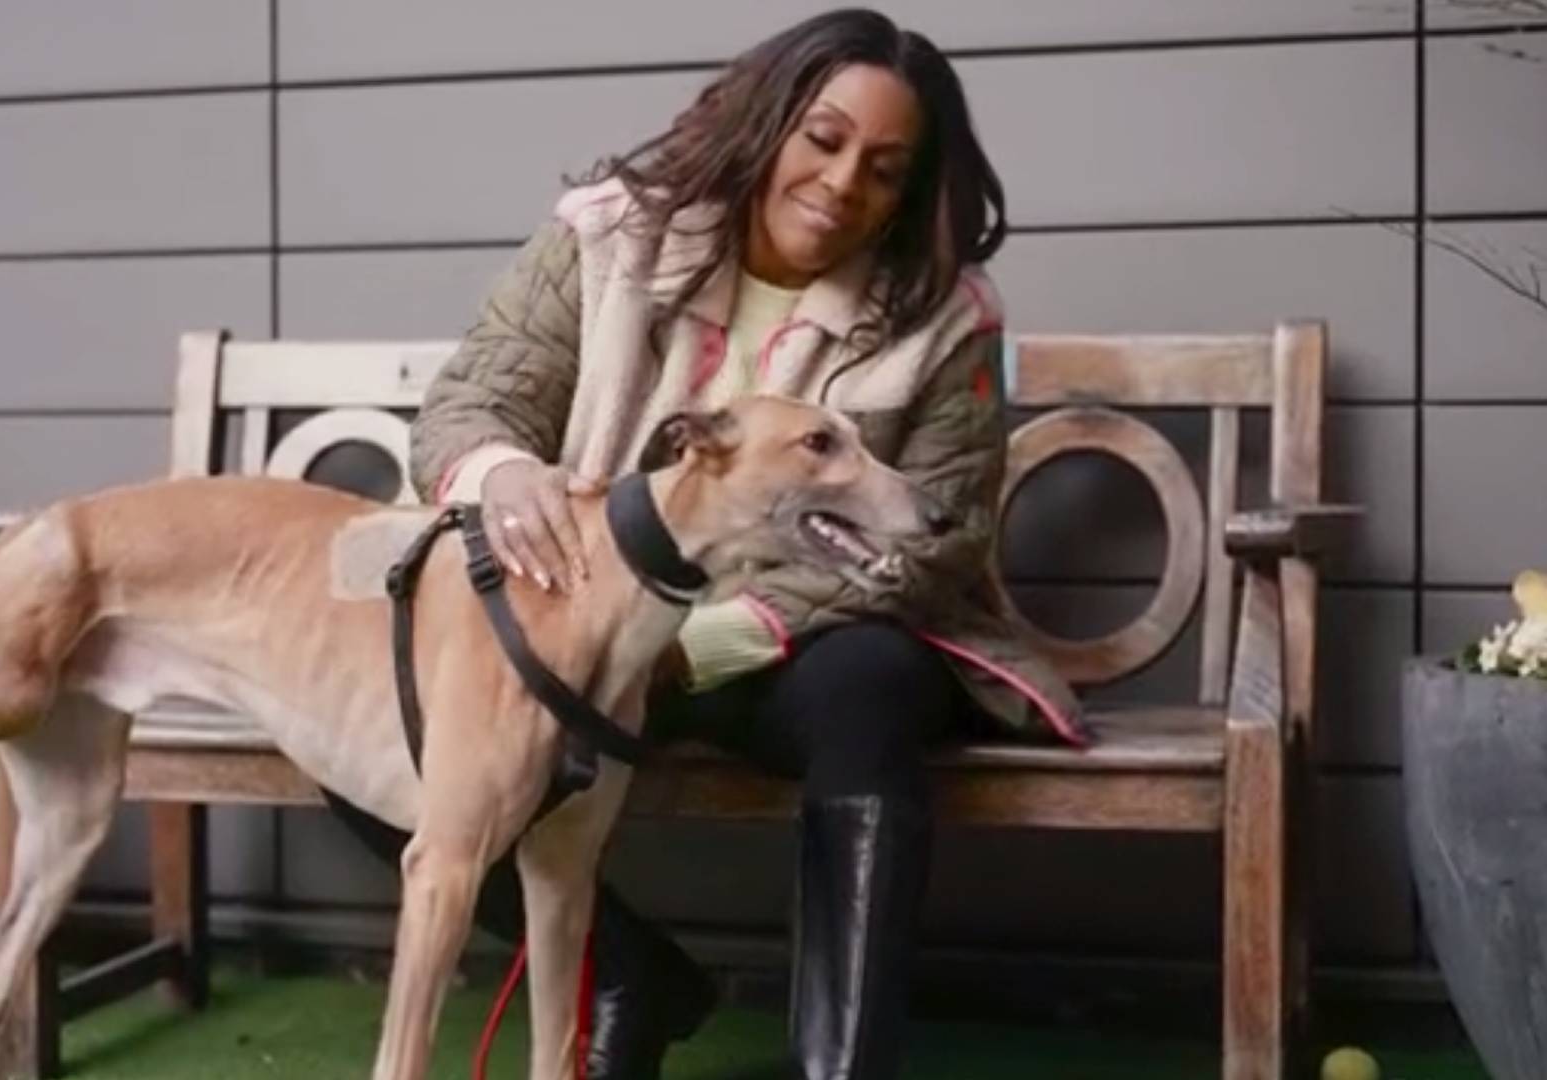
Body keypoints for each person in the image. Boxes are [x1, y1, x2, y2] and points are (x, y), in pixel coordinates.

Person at [322, 9, 1087, 1077]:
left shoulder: (945, 313)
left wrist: (715, 637)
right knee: (380, 715)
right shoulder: (609, 240)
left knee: (870, 688)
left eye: (884, 167)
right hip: (591, 633)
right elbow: (473, 406)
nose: (842, 182)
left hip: (798, 644)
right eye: (822, 140)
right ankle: (635, 974)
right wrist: (502, 478)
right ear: (766, 123)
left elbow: (939, 540)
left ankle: (842, 1066)